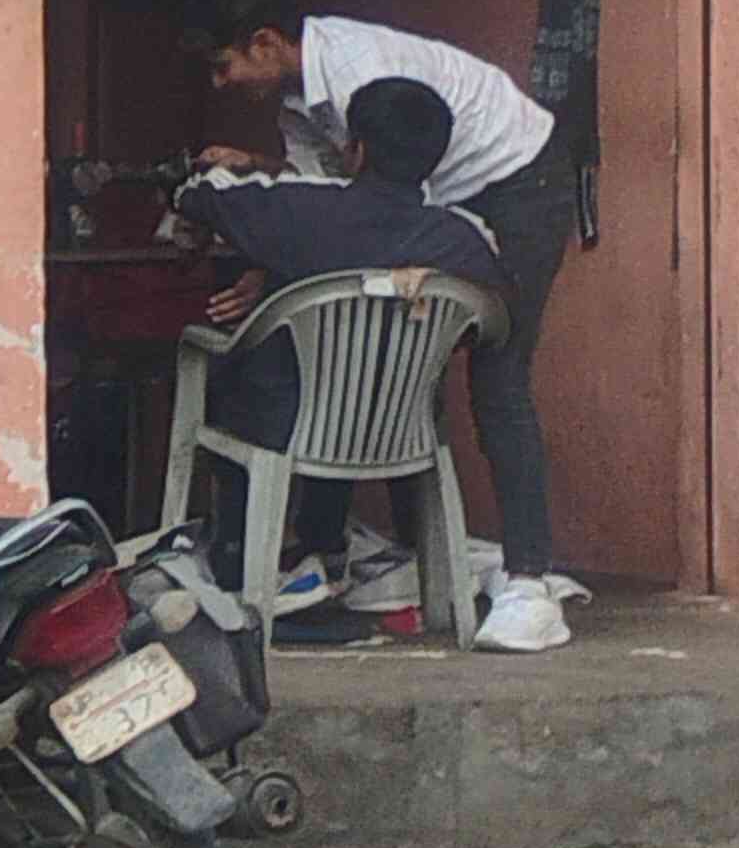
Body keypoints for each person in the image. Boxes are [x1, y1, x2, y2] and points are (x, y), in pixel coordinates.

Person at [202, 0, 577, 647]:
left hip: (517, 179)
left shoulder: (360, 74)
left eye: (223, 66)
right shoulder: (301, 106)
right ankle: (405, 556)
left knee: (499, 376)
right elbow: (337, 210)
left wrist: (264, 238)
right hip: (442, 199)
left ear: (265, 43)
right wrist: (273, 245)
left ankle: (529, 580)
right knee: (387, 352)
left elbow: (365, 220)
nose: (220, 85)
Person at [168, 80, 499, 614]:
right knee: (345, 373)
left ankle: (237, 560)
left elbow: (200, 195)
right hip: (403, 427)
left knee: (246, 370)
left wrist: (223, 180)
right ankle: (322, 546)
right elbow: (491, 320)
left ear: (356, 150)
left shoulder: (300, 209)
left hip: (281, 426)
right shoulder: (463, 238)